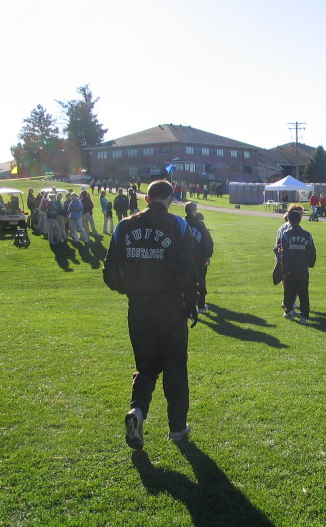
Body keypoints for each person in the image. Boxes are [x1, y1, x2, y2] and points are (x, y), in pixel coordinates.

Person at [103, 180, 199, 450]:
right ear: (170, 198)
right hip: (170, 307)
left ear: (147, 198)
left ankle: (138, 412)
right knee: (175, 368)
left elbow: (109, 271)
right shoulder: (178, 225)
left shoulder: (124, 226)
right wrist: (191, 301)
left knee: (146, 367)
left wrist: (131, 289)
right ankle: (177, 428)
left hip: (139, 308)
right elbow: (189, 269)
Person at [280, 209, 316, 324]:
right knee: (303, 293)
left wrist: (285, 269)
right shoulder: (307, 235)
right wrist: (310, 264)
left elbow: (284, 254)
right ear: (300, 220)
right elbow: (312, 252)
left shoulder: (286, 235)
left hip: (290, 269)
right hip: (302, 269)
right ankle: (304, 316)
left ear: (288, 221)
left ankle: (289, 311)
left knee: (289, 291)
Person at [185, 202, 214, 314]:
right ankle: (201, 306)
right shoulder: (199, 224)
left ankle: (189, 307)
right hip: (198, 258)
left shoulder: (181, 223)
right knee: (201, 281)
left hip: (185, 258)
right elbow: (207, 241)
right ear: (194, 210)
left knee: (187, 281)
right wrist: (207, 255)